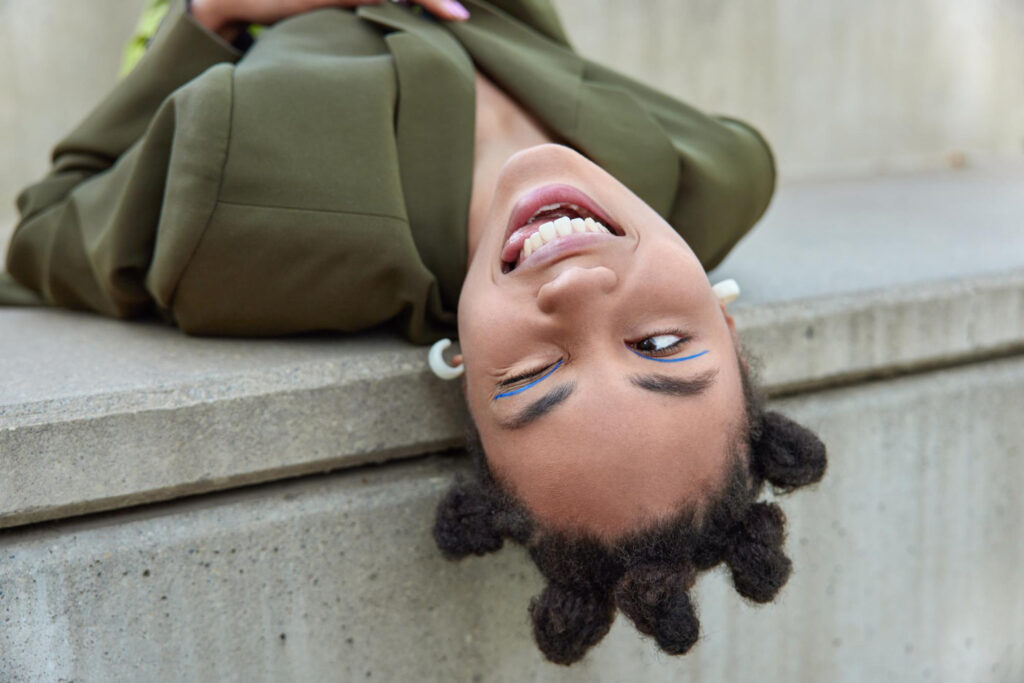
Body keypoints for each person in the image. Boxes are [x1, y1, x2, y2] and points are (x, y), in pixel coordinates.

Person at [0, 0, 826, 664]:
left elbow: (42, 227)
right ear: (721, 311)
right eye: (657, 346)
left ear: (461, 365)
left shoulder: (241, 221)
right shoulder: (717, 173)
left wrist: (211, 16)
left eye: (534, 373)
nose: (575, 288)